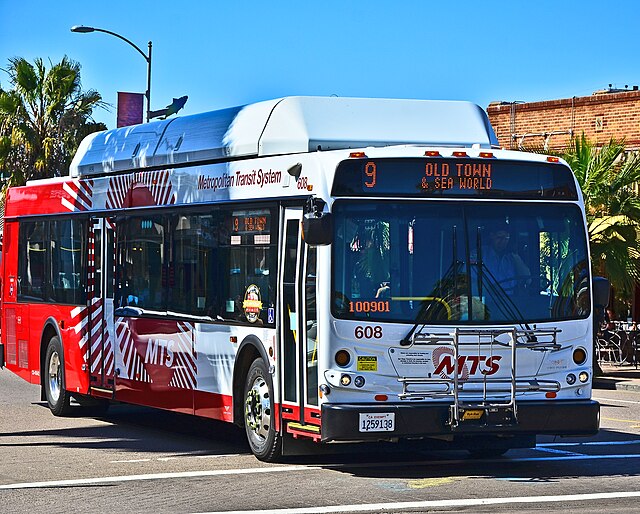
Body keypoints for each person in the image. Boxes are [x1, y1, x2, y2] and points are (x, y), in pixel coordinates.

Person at [482, 223, 530, 294]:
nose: (503, 241)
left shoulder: (512, 258)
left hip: (509, 302)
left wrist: (515, 256)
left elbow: (527, 280)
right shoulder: (481, 254)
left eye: (506, 238)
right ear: (492, 236)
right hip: (487, 301)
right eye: (499, 237)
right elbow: (469, 280)